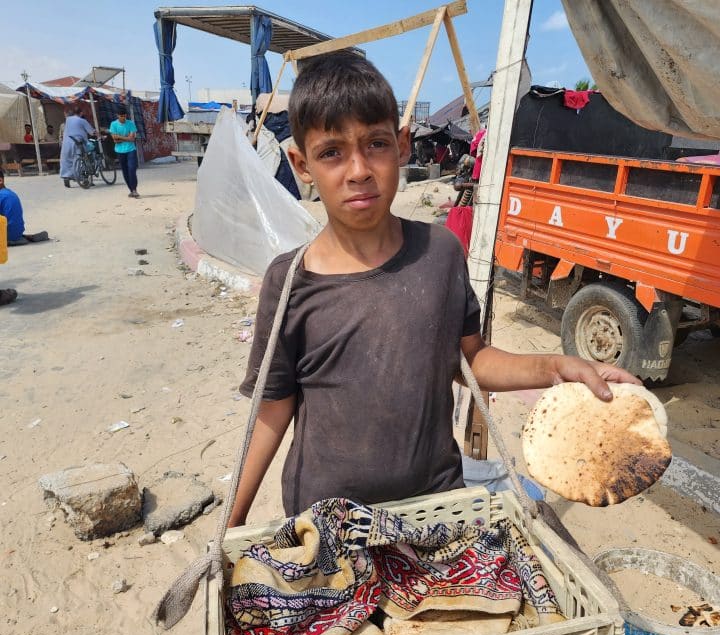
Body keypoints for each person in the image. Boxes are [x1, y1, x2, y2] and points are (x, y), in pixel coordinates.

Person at [226, 52, 639, 528]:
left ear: (402, 145)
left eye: (375, 144)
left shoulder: (440, 253)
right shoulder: (290, 281)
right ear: (301, 164)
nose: (358, 169)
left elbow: (471, 361)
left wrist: (557, 366)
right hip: (326, 522)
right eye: (332, 152)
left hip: (436, 510)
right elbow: (272, 411)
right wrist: (229, 530)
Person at [0, 168, 49, 246]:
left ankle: (11, 239)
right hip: (17, 233)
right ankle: (21, 238)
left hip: (8, 235)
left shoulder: (2, 195)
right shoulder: (8, 193)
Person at [59, 107, 95, 188]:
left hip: (66, 143)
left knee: (66, 160)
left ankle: (66, 176)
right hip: (77, 143)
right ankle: (83, 178)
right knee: (81, 159)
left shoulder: (68, 120)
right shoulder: (82, 121)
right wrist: (98, 134)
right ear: (81, 113)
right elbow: (92, 132)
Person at [109, 107, 139, 198]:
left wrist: (120, 137)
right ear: (117, 116)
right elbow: (114, 139)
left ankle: (134, 190)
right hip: (119, 151)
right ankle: (131, 190)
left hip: (131, 149)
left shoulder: (131, 123)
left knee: (132, 169)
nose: (123, 118)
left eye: (124, 116)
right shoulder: (113, 124)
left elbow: (132, 138)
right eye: (121, 116)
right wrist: (126, 138)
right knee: (125, 171)